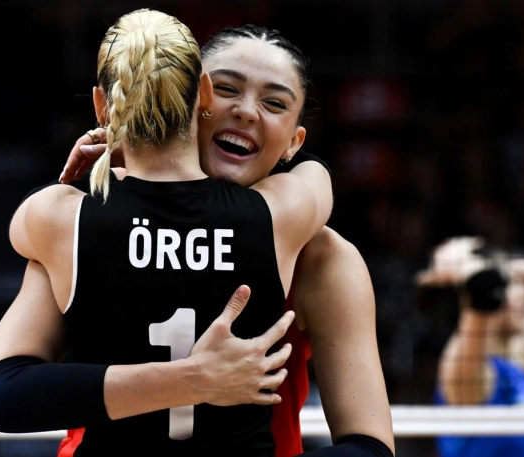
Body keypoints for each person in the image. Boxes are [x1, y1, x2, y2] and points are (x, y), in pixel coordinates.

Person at [0, 9, 329, 456]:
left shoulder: (60, 220)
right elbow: (315, 176)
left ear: (101, 105)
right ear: (204, 94)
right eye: (227, 89)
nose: (244, 111)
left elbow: (5, 396)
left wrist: (98, 168)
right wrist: (198, 377)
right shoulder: (280, 215)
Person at [57, 24, 395, 457]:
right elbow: (13, 383)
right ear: (190, 98)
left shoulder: (322, 258)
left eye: (275, 103)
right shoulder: (94, 222)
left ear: (294, 143)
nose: (247, 111)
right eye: (226, 89)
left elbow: (369, 446)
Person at [415, 236, 524, 457]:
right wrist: (463, 263)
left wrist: (511, 266)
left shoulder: (514, 358)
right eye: (515, 284)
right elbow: (483, 290)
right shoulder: (464, 367)